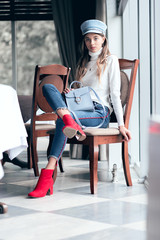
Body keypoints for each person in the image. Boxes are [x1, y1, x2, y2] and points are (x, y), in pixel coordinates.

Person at [28, 19, 131, 198]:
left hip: (99, 113)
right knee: (47, 86)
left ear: (104, 39)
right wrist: (73, 91)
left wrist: (121, 124)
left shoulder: (111, 60)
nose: (91, 43)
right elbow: (83, 93)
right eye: (88, 39)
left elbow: (115, 94)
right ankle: (68, 119)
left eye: (96, 38)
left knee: (62, 120)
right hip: (79, 109)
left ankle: (46, 177)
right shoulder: (83, 63)